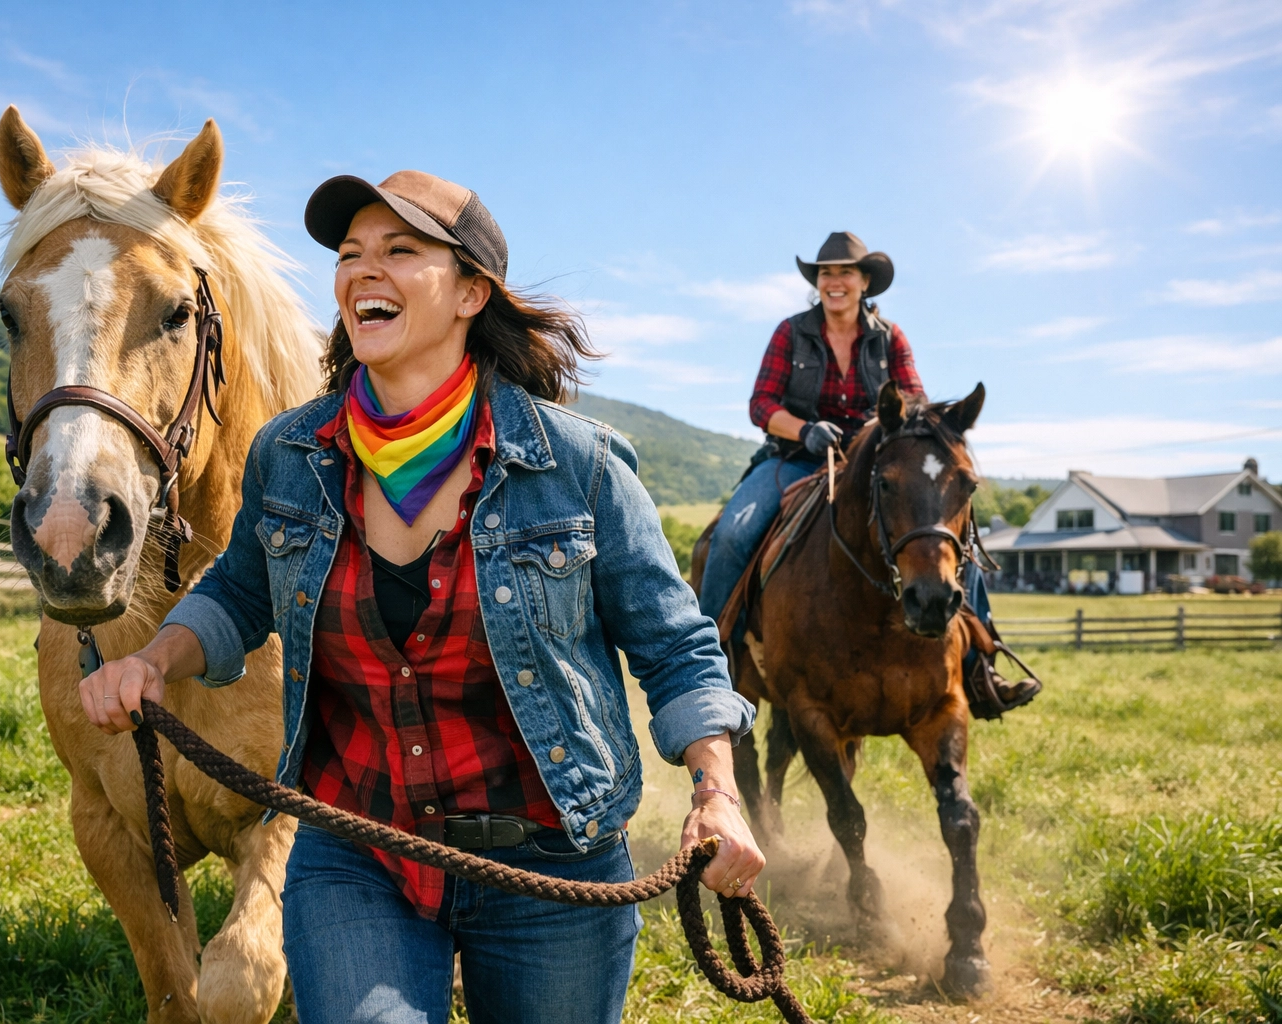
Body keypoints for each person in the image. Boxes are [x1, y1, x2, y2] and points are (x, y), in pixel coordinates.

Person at [78, 170, 764, 1023]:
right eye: (351, 254)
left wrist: (717, 794)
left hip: (550, 861)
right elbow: (240, 587)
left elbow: (674, 647)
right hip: (355, 850)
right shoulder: (289, 455)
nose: (364, 270)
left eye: (401, 251)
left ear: (472, 291)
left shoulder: (579, 465)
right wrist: (154, 658)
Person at [697, 231, 1040, 715]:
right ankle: (708, 668)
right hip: (794, 456)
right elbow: (761, 405)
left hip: (873, 464)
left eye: (845, 272)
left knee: (952, 536)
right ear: (817, 283)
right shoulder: (790, 332)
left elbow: (914, 401)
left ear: (864, 282)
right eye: (825, 273)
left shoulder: (890, 337)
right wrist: (805, 429)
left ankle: (981, 666)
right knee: (731, 536)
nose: (834, 281)